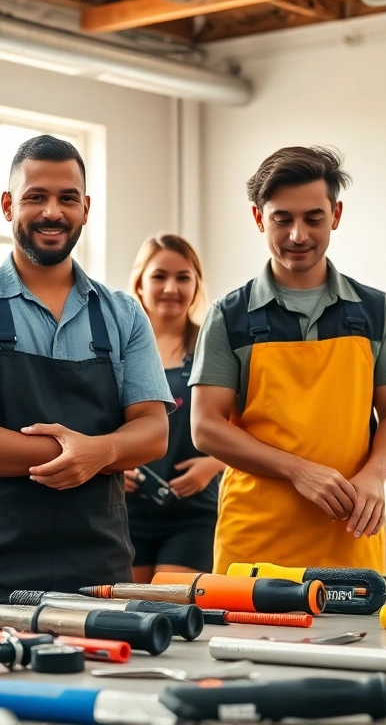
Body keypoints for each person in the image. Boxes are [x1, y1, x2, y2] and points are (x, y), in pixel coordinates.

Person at [0, 135, 172, 603]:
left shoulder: (124, 314)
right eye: (35, 197)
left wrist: (98, 451)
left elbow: (154, 432)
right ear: (7, 205)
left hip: (98, 563)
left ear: (86, 208)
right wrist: (79, 454)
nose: (52, 212)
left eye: (67, 198)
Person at [190, 146, 386, 574]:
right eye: (282, 219)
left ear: (336, 215)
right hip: (254, 537)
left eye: (313, 218)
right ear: (259, 218)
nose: (298, 235)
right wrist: (297, 471)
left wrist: (374, 473)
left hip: (350, 533)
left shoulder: (374, 309)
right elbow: (206, 427)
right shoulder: (228, 315)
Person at [124, 234, 224, 583]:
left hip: (193, 512)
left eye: (183, 277)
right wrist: (108, 466)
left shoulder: (213, 345)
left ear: (196, 284)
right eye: (159, 276)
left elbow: (251, 425)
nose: (171, 287)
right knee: (131, 614)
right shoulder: (118, 349)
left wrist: (213, 465)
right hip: (125, 512)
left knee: (171, 609)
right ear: (139, 283)